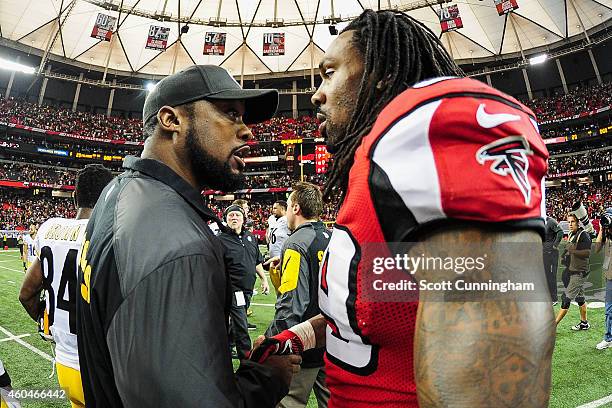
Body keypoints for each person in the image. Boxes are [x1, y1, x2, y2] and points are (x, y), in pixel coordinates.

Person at [251, 9, 554, 407]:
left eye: (329, 72)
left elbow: (495, 337)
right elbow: (376, 314)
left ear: (383, 75)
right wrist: (299, 336)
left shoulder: (428, 124)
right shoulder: (377, 173)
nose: (316, 94)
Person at [76, 65, 300, 408]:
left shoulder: (117, 192)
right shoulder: (175, 239)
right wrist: (265, 378)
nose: (248, 132)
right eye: (230, 114)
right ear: (172, 120)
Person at [18, 164, 113, 408]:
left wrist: (45, 318)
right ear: (110, 196)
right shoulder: (110, 231)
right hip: (101, 368)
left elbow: (26, 294)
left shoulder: (50, 228)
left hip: (64, 364)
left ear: (74, 196)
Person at [264, 182, 331, 408]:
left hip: (305, 345)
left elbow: (293, 303)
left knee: (287, 402)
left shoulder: (295, 243)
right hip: (333, 343)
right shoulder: (333, 237)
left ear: (295, 208)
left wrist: (273, 341)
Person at [218, 204, 270, 359]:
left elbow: (256, 261)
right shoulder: (220, 240)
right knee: (241, 324)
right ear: (225, 219)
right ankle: (246, 360)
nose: (234, 218)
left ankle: (227, 346)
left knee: (236, 322)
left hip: (247, 288)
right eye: (231, 216)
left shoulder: (250, 237)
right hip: (233, 289)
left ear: (243, 218)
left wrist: (264, 279)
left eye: (237, 215)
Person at [555, 213, 592, 329]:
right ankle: (584, 323)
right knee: (580, 299)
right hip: (572, 271)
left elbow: (587, 253)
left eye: (572, 222)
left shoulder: (583, 235)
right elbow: (569, 249)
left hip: (579, 273)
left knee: (566, 299)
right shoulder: (571, 234)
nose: (570, 224)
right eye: (569, 222)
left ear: (578, 222)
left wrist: (573, 251)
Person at [594, 208, 612, 349]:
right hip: (610, 277)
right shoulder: (606, 233)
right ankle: (608, 338)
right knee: (609, 309)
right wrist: (601, 230)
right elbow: (597, 248)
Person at [267, 200, 291, 290]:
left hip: (283, 260)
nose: (273, 210)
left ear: (282, 209)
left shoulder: (287, 221)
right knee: (279, 291)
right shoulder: (275, 220)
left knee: (285, 290)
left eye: (275, 208)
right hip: (274, 261)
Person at [544, 216, 564, 304]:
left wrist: (554, 245)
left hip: (552, 254)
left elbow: (560, 232)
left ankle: (554, 299)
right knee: (546, 275)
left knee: (552, 276)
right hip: (544, 254)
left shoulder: (551, 221)